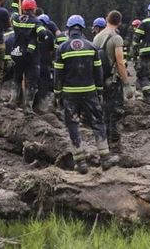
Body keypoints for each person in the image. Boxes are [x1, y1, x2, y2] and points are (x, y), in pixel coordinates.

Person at [54, 14, 116, 173]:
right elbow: (98, 71)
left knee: (73, 125)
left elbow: (58, 74)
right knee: (98, 122)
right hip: (90, 92)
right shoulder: (91, 47)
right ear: (81, 29)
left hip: (70, 94)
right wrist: (100, 89)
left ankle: (80, 162)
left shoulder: (62, 48)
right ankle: (105, 158)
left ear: (69, 29)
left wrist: (57, 94)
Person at [94, 10, 129, 152]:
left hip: (100, 79)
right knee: (116, 112)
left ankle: (103, 144)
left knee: (104, 111)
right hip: (113, 81)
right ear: (119, 22)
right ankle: (115, 145)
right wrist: (126, 83)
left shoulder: (97, 37)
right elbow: (120, 63)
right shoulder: (116, 38)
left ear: (106, 19)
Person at [7, 0, 49, 114]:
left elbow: (13, 12)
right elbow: (42, 33)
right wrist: (39, 39)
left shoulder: (16, 19)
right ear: (34, 9)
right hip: (30, 55)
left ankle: (13, 101)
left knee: (16, 78)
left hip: (17, 53)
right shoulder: (36, 21)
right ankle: (28, 107)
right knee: (31, 81)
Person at [34, 12, 59, 112]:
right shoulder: (48, 34)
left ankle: (31, 104)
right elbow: (52, 50)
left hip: (34, 63)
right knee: (44, 85)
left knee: (33, 84)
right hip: (45, 64)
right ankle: (42, 105)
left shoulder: (32, 32)